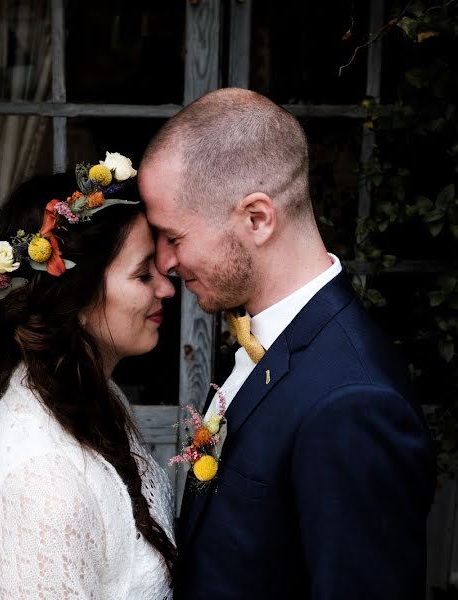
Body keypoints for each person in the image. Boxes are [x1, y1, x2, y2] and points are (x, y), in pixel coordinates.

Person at [139, 88, 437, 599]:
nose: (164, 261)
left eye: (175, 237)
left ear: (257, 218)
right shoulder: (264, 336)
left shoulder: (354, 403)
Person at [0, 158, 177, 599]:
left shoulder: (90, 392)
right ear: (74, 296)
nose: (167, 288)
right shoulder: (47, 483)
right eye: (142, 273)